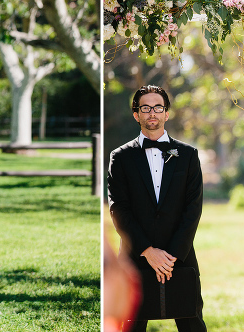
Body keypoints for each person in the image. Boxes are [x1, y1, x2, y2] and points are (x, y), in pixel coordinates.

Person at [107, 85, 206, 331]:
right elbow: (118, 209)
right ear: (136, 114)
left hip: (179, 258)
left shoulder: (189, 154)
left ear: (167, 113)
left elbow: (193, 209)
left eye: (158, 108)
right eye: (146, 108)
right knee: (131, 325)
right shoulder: (120, 157)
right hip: (135, 259)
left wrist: (170, 256)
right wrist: (148, 251)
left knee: (192, 324)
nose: (152, 113)